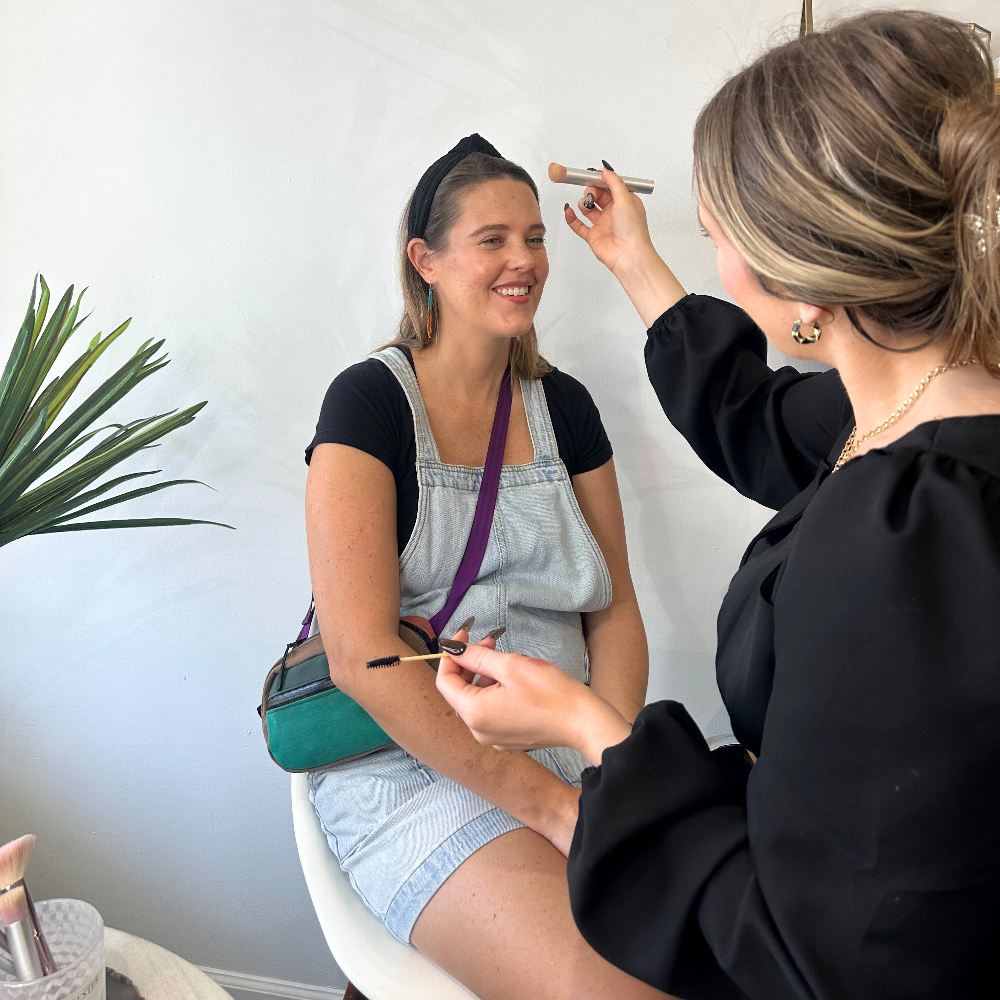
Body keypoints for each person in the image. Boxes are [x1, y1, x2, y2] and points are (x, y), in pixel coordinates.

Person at [436, 12, 1000, 999]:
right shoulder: (919, 401)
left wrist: (585, 729)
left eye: (716, 241)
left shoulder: (907, 545)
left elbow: (807, 959)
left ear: (799, 276)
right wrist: (633, 260)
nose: (718, 266)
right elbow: (761, 418)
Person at [304, 135, 669, 1000]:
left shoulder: (566, 409)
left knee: (723, 944)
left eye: (536, 238)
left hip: (567, 752)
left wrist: (600, 763)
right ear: (424, 261)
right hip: (412, 764)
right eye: (493, 239)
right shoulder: (367, 404)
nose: (524, 261)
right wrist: (547, 807)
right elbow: (363, 658)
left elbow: (611, 609)